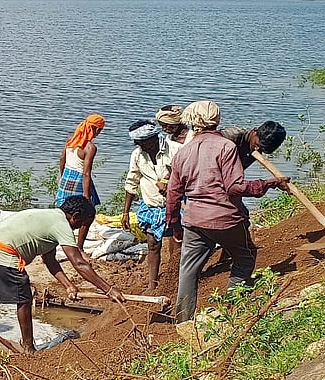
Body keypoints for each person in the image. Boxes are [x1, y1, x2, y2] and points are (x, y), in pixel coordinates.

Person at [165, 101, 290, 323]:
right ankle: (232, 309)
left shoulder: (182, 154)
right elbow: (235, 187)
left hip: (193, 219)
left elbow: (173, 195)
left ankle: (183, 320)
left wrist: (175, 225)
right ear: (217, 120)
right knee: (245, 256)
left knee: (188, 270)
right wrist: (269, 183)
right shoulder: (227, 147)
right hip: (226, 218)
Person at [0, 195, 125, 353]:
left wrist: (68, 286)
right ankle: (29, 349)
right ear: (75, 216)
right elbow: (79, 263)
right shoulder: (61, 224)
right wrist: (108, 290)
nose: (78, 229)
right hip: (3, 251)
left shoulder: (51, 217)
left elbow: (49, 259)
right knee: (24, 299)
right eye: (81, 224)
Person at [120, 120, 179, 293]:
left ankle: (173, 281)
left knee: (176, 244)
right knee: (152, 244)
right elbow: (131, 182)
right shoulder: (138, 155)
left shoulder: (174, 150)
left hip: (175, 206)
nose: (140, 146)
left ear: (152, 138)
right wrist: (125, 212)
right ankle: (152, 284)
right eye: (137, 143)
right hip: (152, 206)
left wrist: (168, 181)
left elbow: (184, 172)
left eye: (142, 142)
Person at [56, 113, 105, 249]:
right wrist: (86, 196)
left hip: (66, 177)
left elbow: (62, 160)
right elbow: (86, 173)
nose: (99, 133)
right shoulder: (90, 147)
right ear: (95, 129)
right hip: (79, 180)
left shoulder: (71, 140)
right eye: (99, 130)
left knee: (63, 212)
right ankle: (79, 247)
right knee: (88, 214)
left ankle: (59, 241)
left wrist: (62, 178)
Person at [219, 121, 287, 170]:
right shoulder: (231, 135)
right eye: (257, 145)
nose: (257, 149)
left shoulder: (255, 152)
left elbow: (237, 174)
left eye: (262, 149)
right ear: (254, 132)